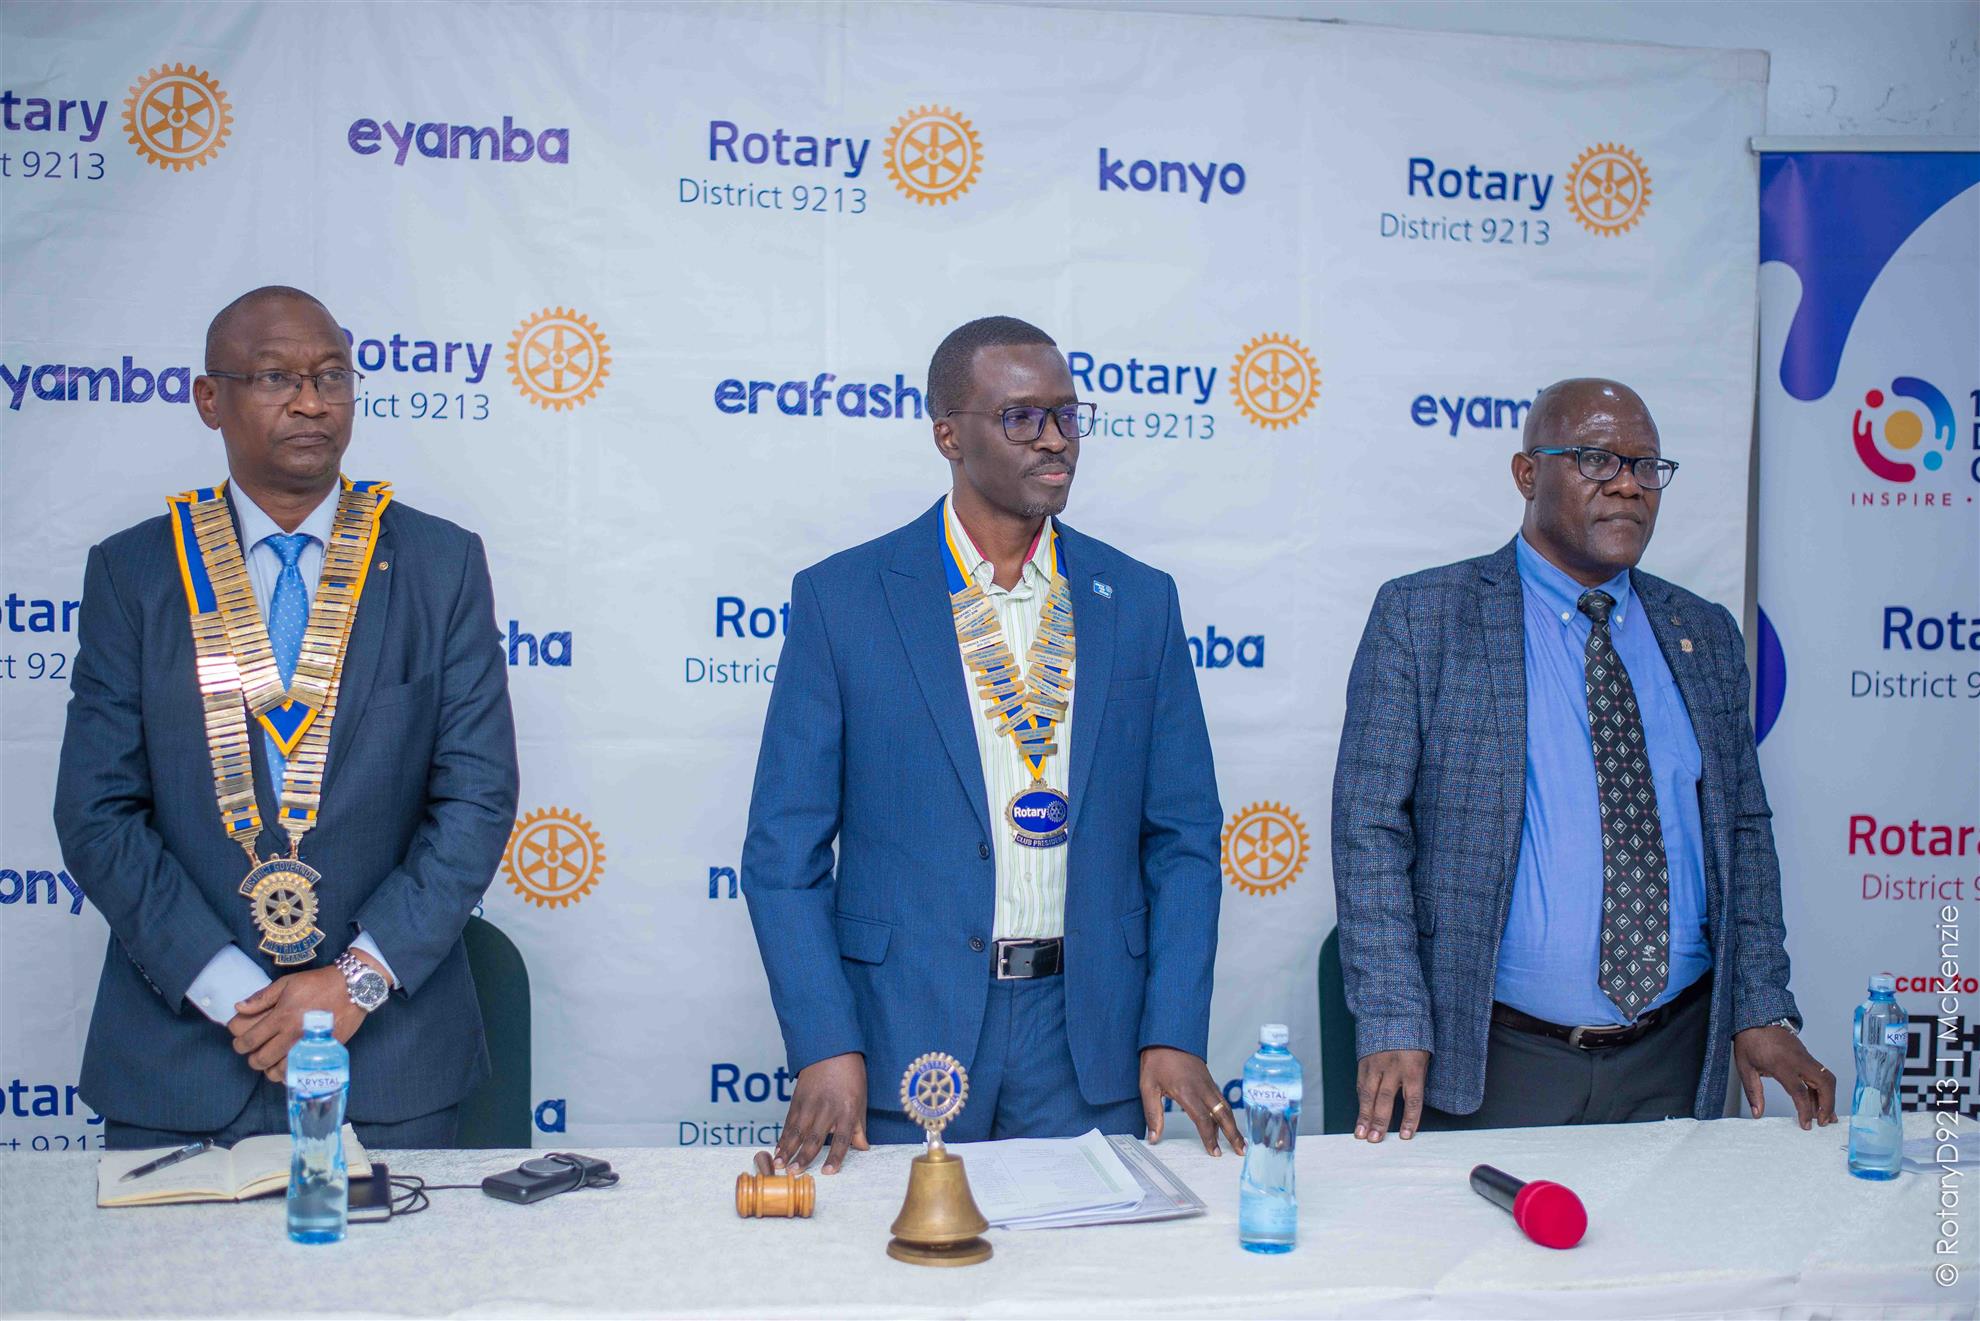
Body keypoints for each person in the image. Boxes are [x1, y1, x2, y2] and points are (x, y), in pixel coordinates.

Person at [742, 315, 1239, 1172]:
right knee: (903, 1259)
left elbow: (1186, 839)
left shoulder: (1139, 600)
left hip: (1091, 1039)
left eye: (1067, 414)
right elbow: (782, 853)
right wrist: (826, 1039)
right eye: (1021, 417)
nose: (1055, 439)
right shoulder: (843, 600)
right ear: (949, 435)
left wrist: (1172, 1028)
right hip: (904, 1034)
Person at [54, 286, 518, 1150]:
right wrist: (236, 993)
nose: (311, 401)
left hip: (391, 1061)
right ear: (210, 399)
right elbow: (96, 812)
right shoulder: (134, 574)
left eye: (331, 376)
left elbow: (477, 800)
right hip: (181, 1060)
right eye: (276, 377)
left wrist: (357, 980)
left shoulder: (441, 564)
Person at [1332, 378, 1835, 1140]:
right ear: (1527, 473)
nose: (1629, 484)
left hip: (1674, 1054)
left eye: (1646, 465)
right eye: (1597, 459)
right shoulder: (1425, 617)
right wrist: (1393, 1013)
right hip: (1496, 1057)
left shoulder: (1702, 633)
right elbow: (1369, 830)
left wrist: (1761, 1003)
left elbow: (1743, 830)